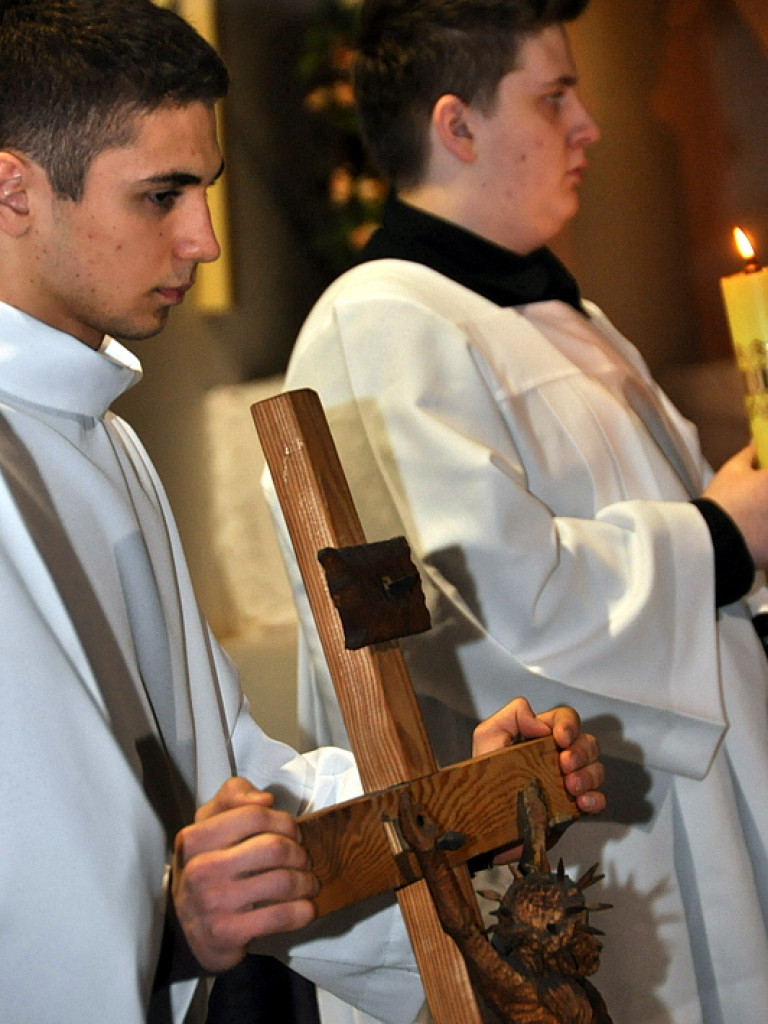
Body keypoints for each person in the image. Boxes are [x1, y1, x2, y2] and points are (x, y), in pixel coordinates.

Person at [0, 3, 606, 1023]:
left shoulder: (105, 440)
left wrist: (454, 803)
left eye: (205, 191)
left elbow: (229, 780)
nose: (201, 238)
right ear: (14, 188)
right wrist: (169, 931)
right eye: (162, 194)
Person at [266, 1, 768, 1023]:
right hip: (592, 861)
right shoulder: (378, 322)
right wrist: (721, 537)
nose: (589, 126)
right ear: (457, 125)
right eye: (554, 97)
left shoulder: (560, 313)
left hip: (710, 804)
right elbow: (481, 615)